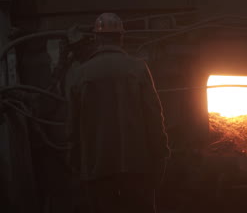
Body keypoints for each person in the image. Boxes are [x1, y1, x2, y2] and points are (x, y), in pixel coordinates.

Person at [67, 13, 170, 213]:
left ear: (96, 38)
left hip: (97, 167)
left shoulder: (80, 74)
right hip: (137, 166)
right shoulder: (138, 69)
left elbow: (72, 124)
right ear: (121, 37)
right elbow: (154, 116)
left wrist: (74, 159)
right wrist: (161, 153)